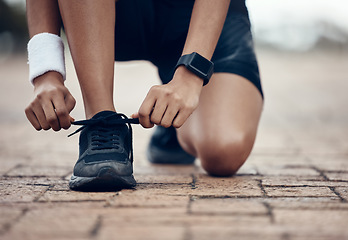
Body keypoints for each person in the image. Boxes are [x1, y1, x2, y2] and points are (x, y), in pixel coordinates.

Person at [25, 0, 263, 191]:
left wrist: (190, 76)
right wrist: (46, 71)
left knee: (223, 150)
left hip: (197, 14)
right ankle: (101, 120)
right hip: (108, 13)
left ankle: (173, 122)